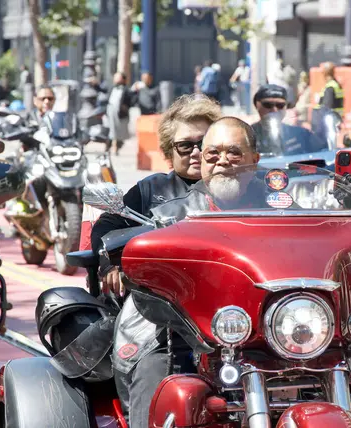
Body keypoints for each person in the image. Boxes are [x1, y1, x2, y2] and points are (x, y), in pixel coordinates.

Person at [111, 116, 260, 428]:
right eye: (212, 154)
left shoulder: (280, 209)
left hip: (264, 335)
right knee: (153, 376)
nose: (222, 161)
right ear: (203, 161)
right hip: (179, 335)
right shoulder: (169, 216)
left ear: (254, 160)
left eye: (233, 152)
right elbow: (122, 244)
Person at [91, 94, 221, 295]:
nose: (196, 152)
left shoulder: (236, 187)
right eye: (185, 146)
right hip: (160, 297)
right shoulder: (150, 189)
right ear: (170, 150)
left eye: (203, 144)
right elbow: (105, 227)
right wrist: (110, 263)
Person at [252, 84, 327, 155]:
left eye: (280, 105)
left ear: (286, 107)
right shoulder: (247, 134)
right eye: (268, 105)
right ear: (256, 105)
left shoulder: (300, 134)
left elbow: (323, 152)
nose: (274, 110)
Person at [106, 72, 135, 155]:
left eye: (117, 77)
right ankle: (108, 148)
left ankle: (117, 147)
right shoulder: (112, 88)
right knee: (111, 131)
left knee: (120, 133)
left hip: (120, 114)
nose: (115, 79)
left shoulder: (127, 90)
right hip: (110, 112)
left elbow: (131, 101)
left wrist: (125, 107)